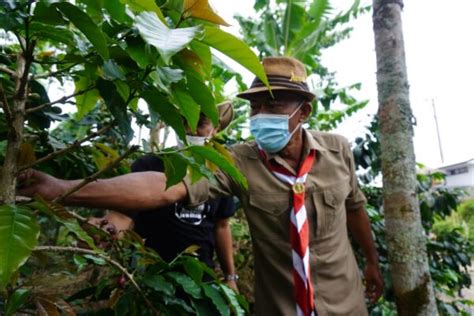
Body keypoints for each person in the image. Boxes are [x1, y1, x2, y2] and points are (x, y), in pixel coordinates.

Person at [19, 57, 383, 316]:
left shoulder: (338, 151)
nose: (261, 116)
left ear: (303, 112)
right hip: (280, 306)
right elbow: (167, 185)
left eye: (273, 105)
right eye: (255, 107)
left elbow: (354, 207)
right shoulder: (237, 161)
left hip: (344, 302)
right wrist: (63, 188)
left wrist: (371, 261)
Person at [98, 103, 239, 290]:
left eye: (200, 123)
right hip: (150, 274)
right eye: (184, 122)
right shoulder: (148, 165)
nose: (190, 130)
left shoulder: (218, 174)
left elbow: (221, 226)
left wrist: (230, 276)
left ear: (215, 128)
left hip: (201, 277)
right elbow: (124, 214)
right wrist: (106, 230)